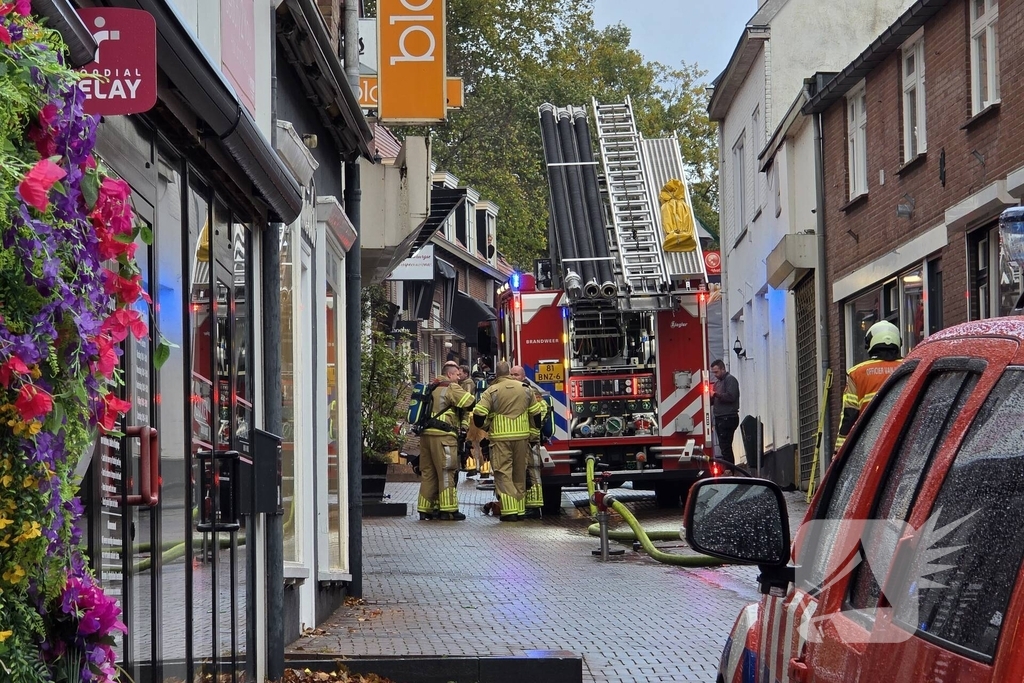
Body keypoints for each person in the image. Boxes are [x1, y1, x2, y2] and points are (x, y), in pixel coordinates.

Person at [473, 361, 545, 522]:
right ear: (508, 372)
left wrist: (487, 426)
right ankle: (520, 510)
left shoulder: (492, 390)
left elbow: (479, 414)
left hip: (500, 438)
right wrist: (533, 432)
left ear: (497, 374)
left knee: (503, 473)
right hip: (522, 437)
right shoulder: (525, 389)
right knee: (519, 473)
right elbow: (536, 413)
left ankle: (510, 511)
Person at [417, 363, 475, 521]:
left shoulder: (431, 386)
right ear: (449, 374)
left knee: (428, 473)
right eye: (457, 374)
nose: (459, 377)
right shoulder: (451, 387)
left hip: (426, 435)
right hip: (443, 436)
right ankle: (448, 510)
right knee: (446, 472)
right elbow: (470, 402)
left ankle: (425, 509)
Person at [834, 320, 903, 453]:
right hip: (905, 438)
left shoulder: (857, 374)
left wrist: (839, 451)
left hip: (871, 442)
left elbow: (850, 414)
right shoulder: (911, 367)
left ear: (870, 343)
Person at [511, 365, 548, 519]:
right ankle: (526, 504)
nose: (513, 377)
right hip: (520, 438)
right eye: (511, 375)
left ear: (523, 376)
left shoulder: (531, 391)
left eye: (516, 375)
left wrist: (532, 428)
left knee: (532, 470)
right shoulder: (514, 391)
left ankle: (535, 507)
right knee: (523, 472)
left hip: (531, 439)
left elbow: (542, 409)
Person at [710, 359, 740, 465]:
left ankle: (729, 469)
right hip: (720, 418)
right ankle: (728, 467)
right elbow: (714, 400)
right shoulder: (717, 383)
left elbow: (731, 397)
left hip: (728, 418)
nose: (715, 375)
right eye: (713, 372)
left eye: (716, 372)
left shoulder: (730, 380)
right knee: (723, 446)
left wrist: (715, 394)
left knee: (726, 445)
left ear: (723, 369)